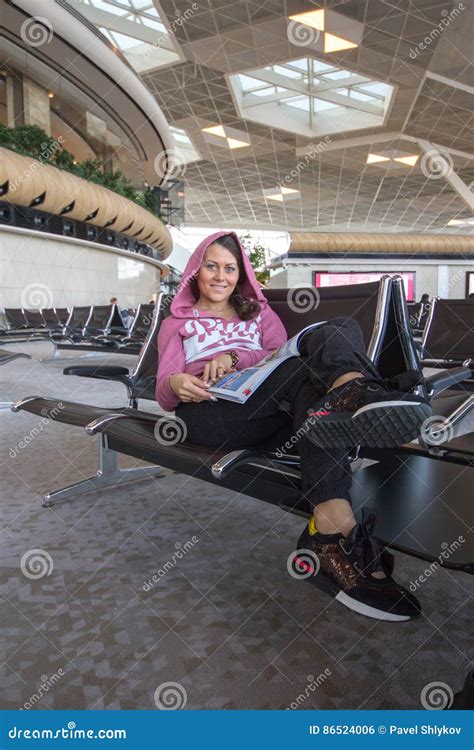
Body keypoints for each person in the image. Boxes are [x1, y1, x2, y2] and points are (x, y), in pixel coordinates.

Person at [156, 232, 431, 622]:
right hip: (209, 415)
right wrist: (178, 382)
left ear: (241, 275)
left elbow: (276, 351)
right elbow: (164, 394)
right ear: (196, 271)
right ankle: (354, 401)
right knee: (304, 376)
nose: (220, 276)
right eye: (212, 266)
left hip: (267, 410)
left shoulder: (260, 315)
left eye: (230, 268)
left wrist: (235, 355)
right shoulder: (177, 323)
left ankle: (332, 527)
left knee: (333, 334)